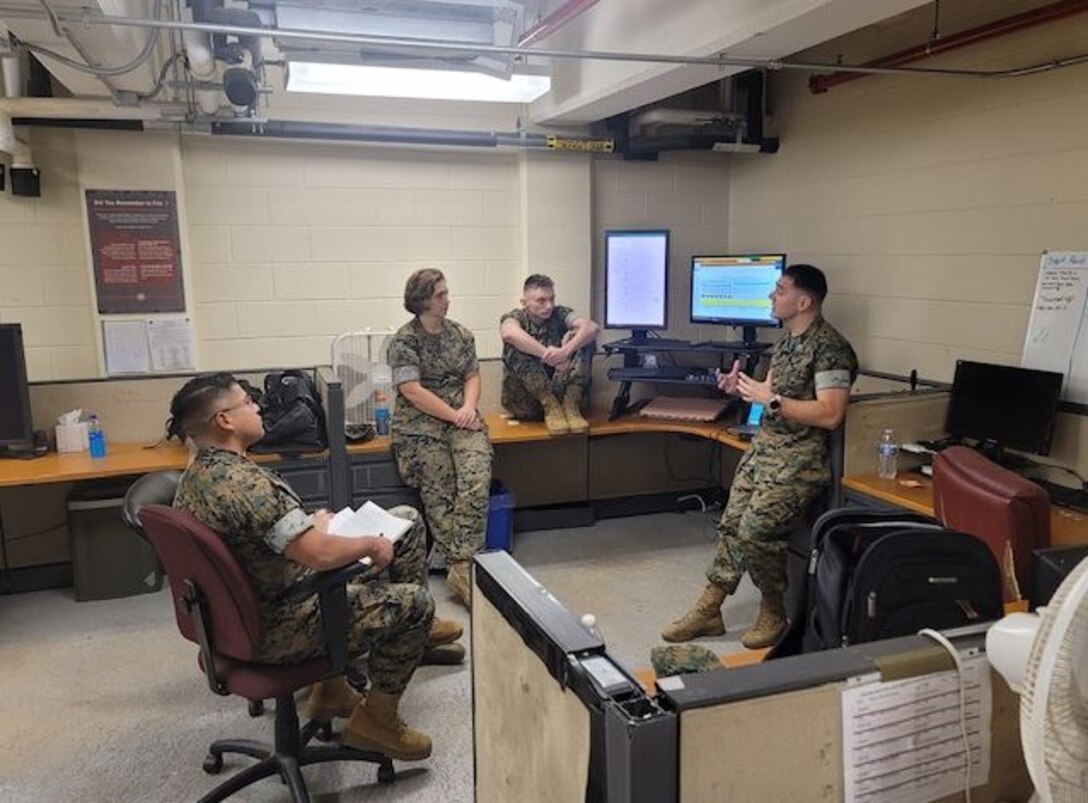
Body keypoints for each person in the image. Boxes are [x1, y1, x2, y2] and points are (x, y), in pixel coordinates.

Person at [170, 372, 463, 761]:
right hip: (280, 624)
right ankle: (376, 720)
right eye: (247, 402)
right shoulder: (248, 485)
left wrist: (311, 528)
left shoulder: (196, 476)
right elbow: (320, 557)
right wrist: (369, 544)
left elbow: (269, 540)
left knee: (404, 520)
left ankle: (333, 688)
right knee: (412, 603)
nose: (257, 407)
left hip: (241, 614)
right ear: (225, 420)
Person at [662, 264, 858, 649]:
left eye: (780, 290)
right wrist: (740, 389)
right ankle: (710, 608)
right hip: (765, 450)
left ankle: (774, 611)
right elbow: (769, 394)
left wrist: (771, 400)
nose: (772, 296)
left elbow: (831, 414)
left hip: (800, 460)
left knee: (755, 533)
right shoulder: (785, 343)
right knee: (731, 524)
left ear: (803, 301)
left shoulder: (831, 348)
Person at [387, 269, 493, 610]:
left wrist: (468, 407)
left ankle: (461, 562)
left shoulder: (461, 334)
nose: (447, 300)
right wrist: (455, 414)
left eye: (447, 293)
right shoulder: (405, 341)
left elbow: (472, 375)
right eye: (440, 295)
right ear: (421, 301)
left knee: (476, 476)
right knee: (439, 489)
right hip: (421, 426)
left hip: (461, 417)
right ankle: (462, 569)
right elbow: (412, 391)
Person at [500, 274, 600, 435]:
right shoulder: (516, 317)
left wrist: (565, 351)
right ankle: (549, 404)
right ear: (524, 302)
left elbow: (592, 328)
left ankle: (571, 404)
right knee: (516, 344)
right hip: (526, 402)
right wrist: (549, 356)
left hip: (562, 401)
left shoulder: (559, 314)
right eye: (541, 300)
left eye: (552, 299)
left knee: (583, 337)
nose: (548, 306)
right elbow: (509, 333)